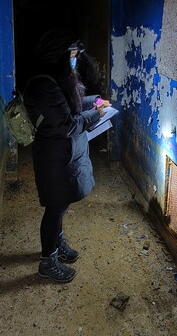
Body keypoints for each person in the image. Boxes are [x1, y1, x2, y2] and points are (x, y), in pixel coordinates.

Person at [24, 29, 110, 283]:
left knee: (61, 205)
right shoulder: (43, 84)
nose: (74, 60)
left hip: (63, 153)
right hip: (54, 156)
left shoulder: (54, 79)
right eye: (72, 55)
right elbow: (68, 124)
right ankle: (47, 261)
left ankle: (57, 243)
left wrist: (96, 101)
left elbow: (71, 104)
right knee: (55, 207)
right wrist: (97, 114)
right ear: (58, 56)